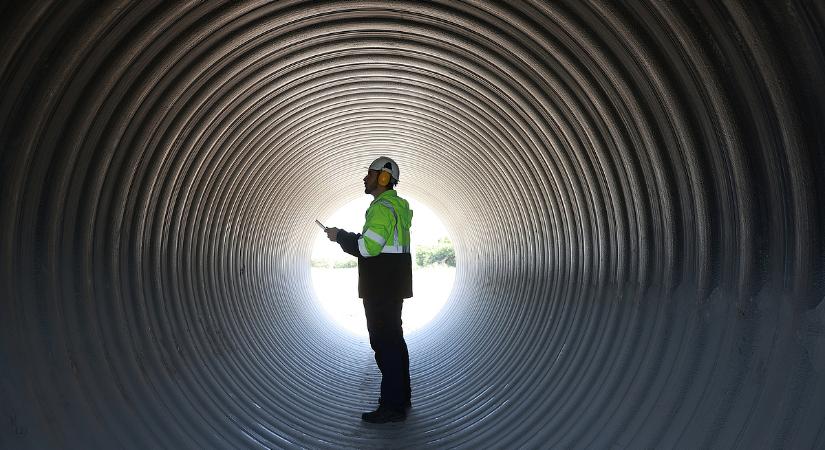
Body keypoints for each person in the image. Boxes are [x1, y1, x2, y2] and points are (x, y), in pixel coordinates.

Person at [324, 156, 413, 423]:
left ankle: (392, 407)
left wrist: (340, 236)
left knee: (385, 344)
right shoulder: (398, 207)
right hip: (392, 284)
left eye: (371, 174)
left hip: (380, 286)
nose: (366, 178)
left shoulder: (381, 207)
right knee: (395, 343)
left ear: (384, 178)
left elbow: (367, 248)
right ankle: (401, 397)